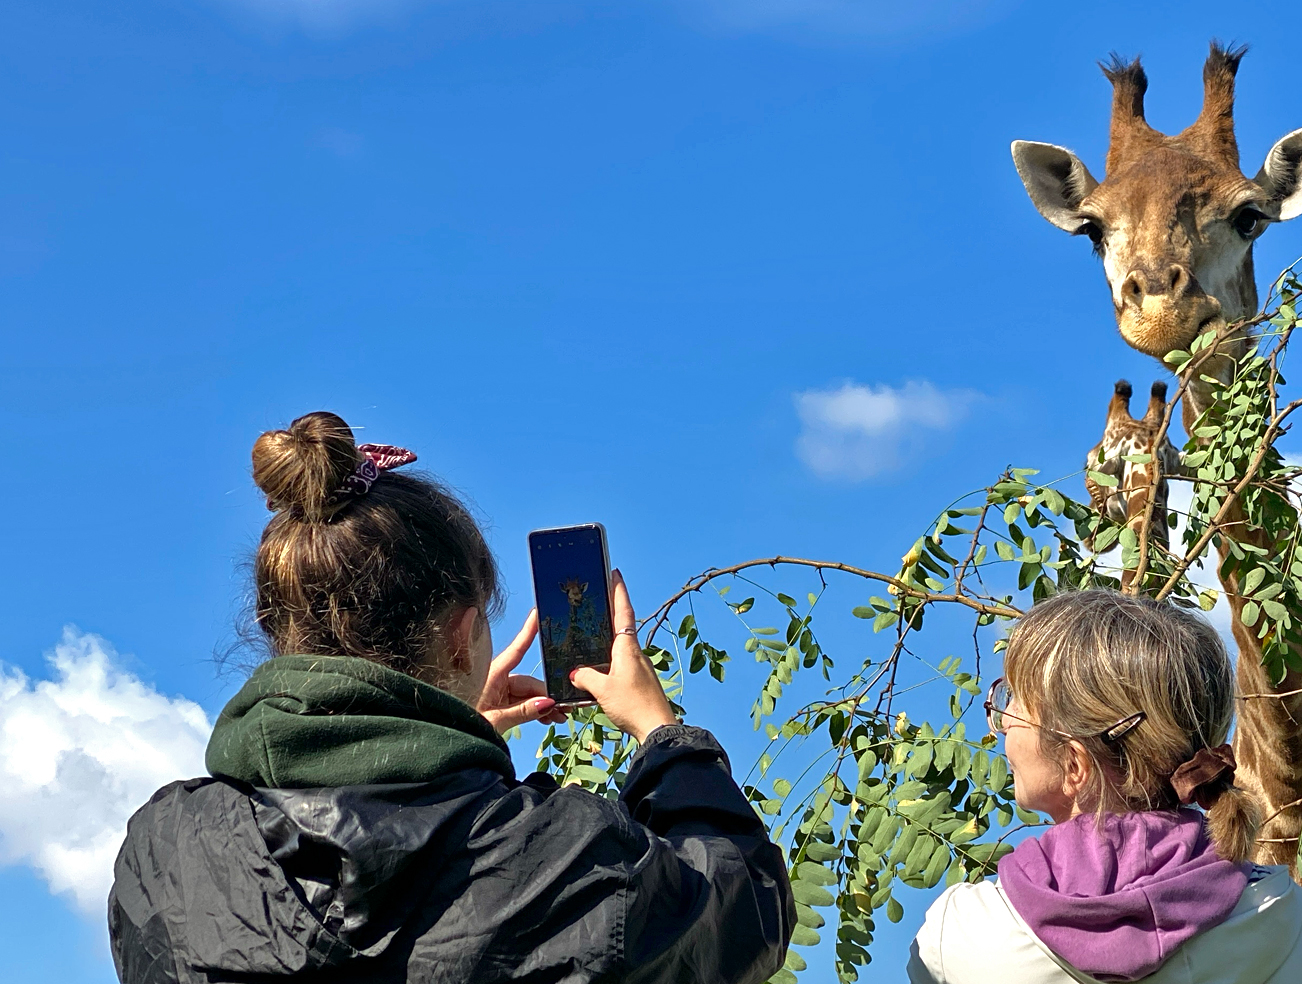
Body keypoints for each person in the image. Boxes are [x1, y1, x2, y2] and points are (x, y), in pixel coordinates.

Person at [109, 412, 793, 984]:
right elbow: (740, 910)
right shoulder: (558, 856)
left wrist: (453, 748)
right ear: (463, 640)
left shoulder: (165, 852)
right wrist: (662, 736)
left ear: (275, 628)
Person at [907, 589, 1302, 984]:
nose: (1002, 721)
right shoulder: (1300, 924)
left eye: (1016, 699)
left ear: (1075, 764)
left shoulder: (958, 938)